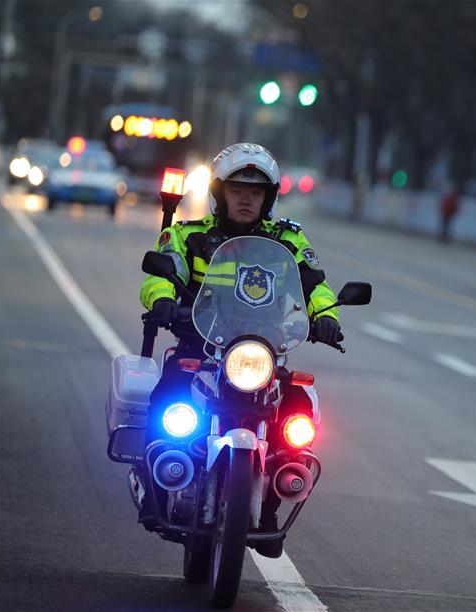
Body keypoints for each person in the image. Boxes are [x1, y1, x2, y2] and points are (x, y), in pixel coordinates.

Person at [138, 143, 341, 558]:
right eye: (236, 189)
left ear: (269, 198)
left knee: (298, 409)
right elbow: (161, 271)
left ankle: (269, 505)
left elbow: (315, 283)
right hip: (201, 345)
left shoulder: (288, 239)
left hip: (263, 352)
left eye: (256, 191)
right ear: (219, 193)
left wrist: (327, 314)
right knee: (167, 398)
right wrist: (161, 299)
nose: (246, 198)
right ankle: (155, 479)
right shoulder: (188, 235)